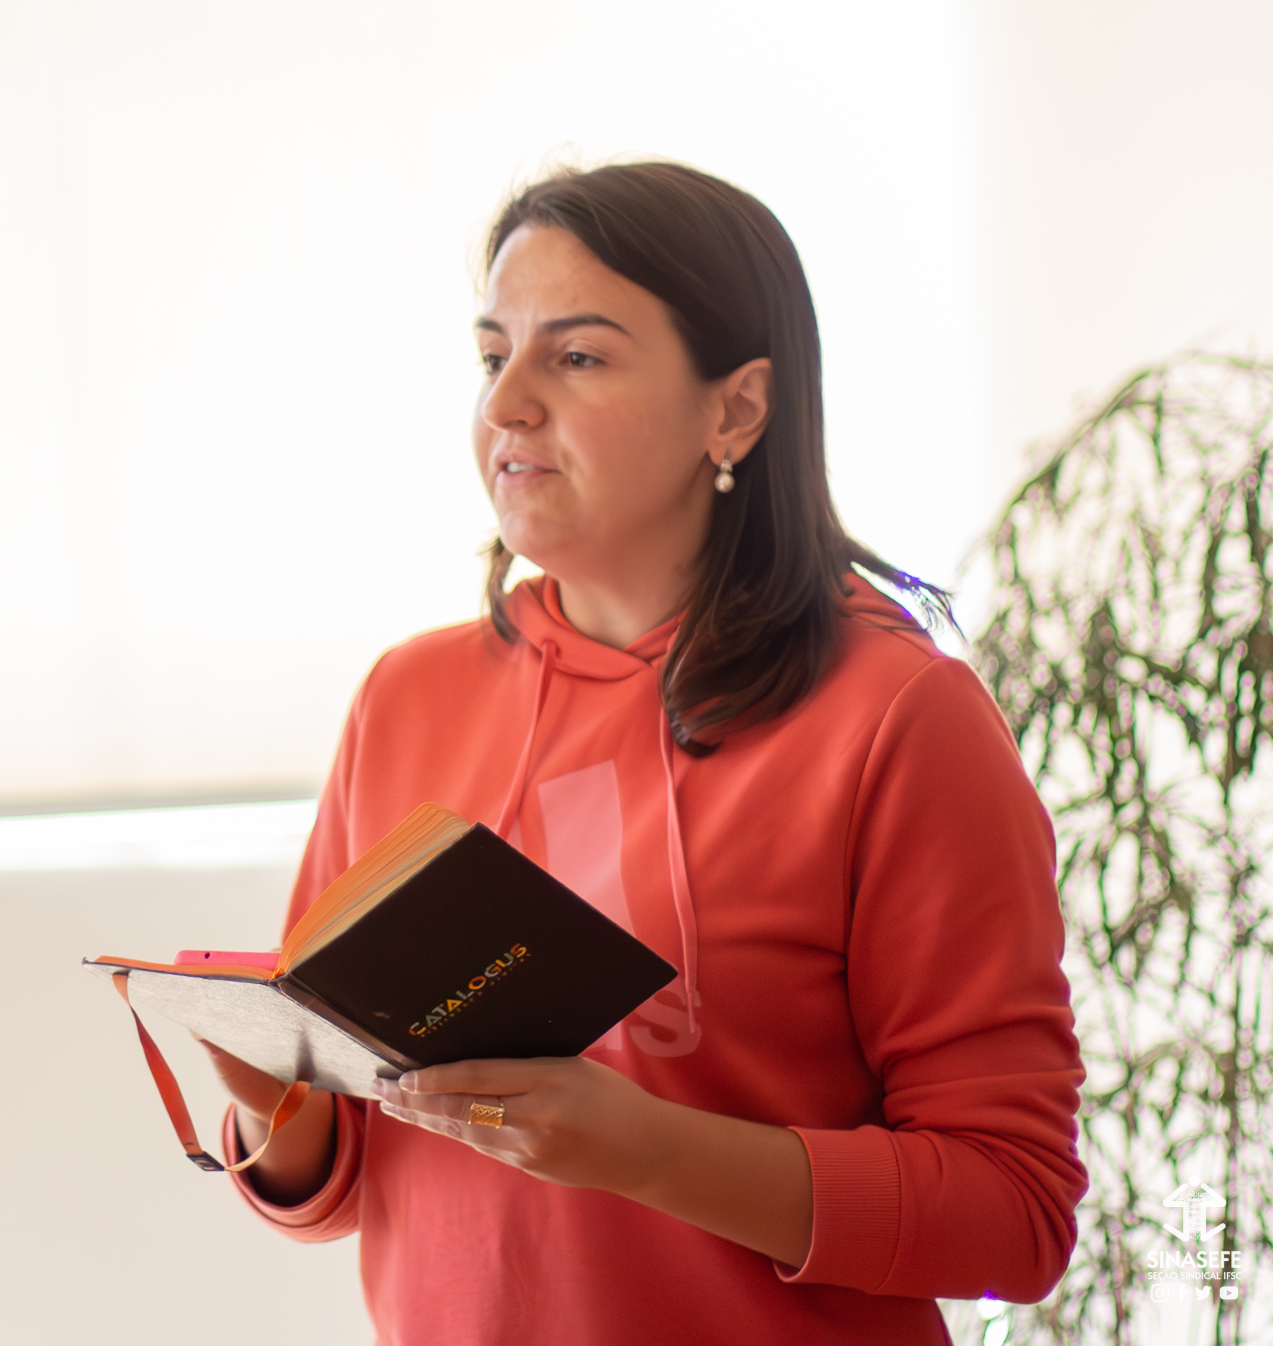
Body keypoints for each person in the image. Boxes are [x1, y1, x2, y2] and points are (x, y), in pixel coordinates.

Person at [200, 161, 1086, 1344]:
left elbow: (1011, 1210)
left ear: (736, 410)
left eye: (575, 356)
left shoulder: (895, 715)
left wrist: (650, 1151)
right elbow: (361, 1183)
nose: (506, 404)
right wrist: (284, 1108)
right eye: (490, 356)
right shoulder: (404, 697)